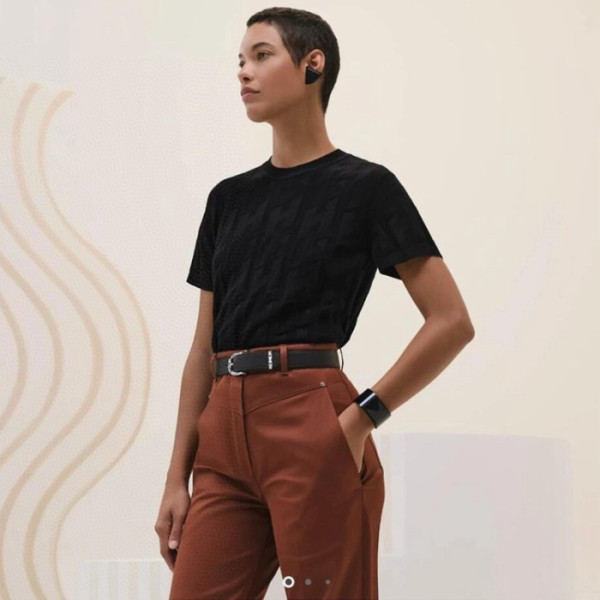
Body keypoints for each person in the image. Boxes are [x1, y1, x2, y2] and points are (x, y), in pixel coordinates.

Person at [155, 7, 475, 600]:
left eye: (261, 55)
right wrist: (177, 477)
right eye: (240, 61)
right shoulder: (227, 200)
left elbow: (451, 321)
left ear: (312, 65)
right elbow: (202, 350)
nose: (243, 71)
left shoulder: (366, 188)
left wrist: (361, 419)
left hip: (311, 421)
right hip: (221, 437)